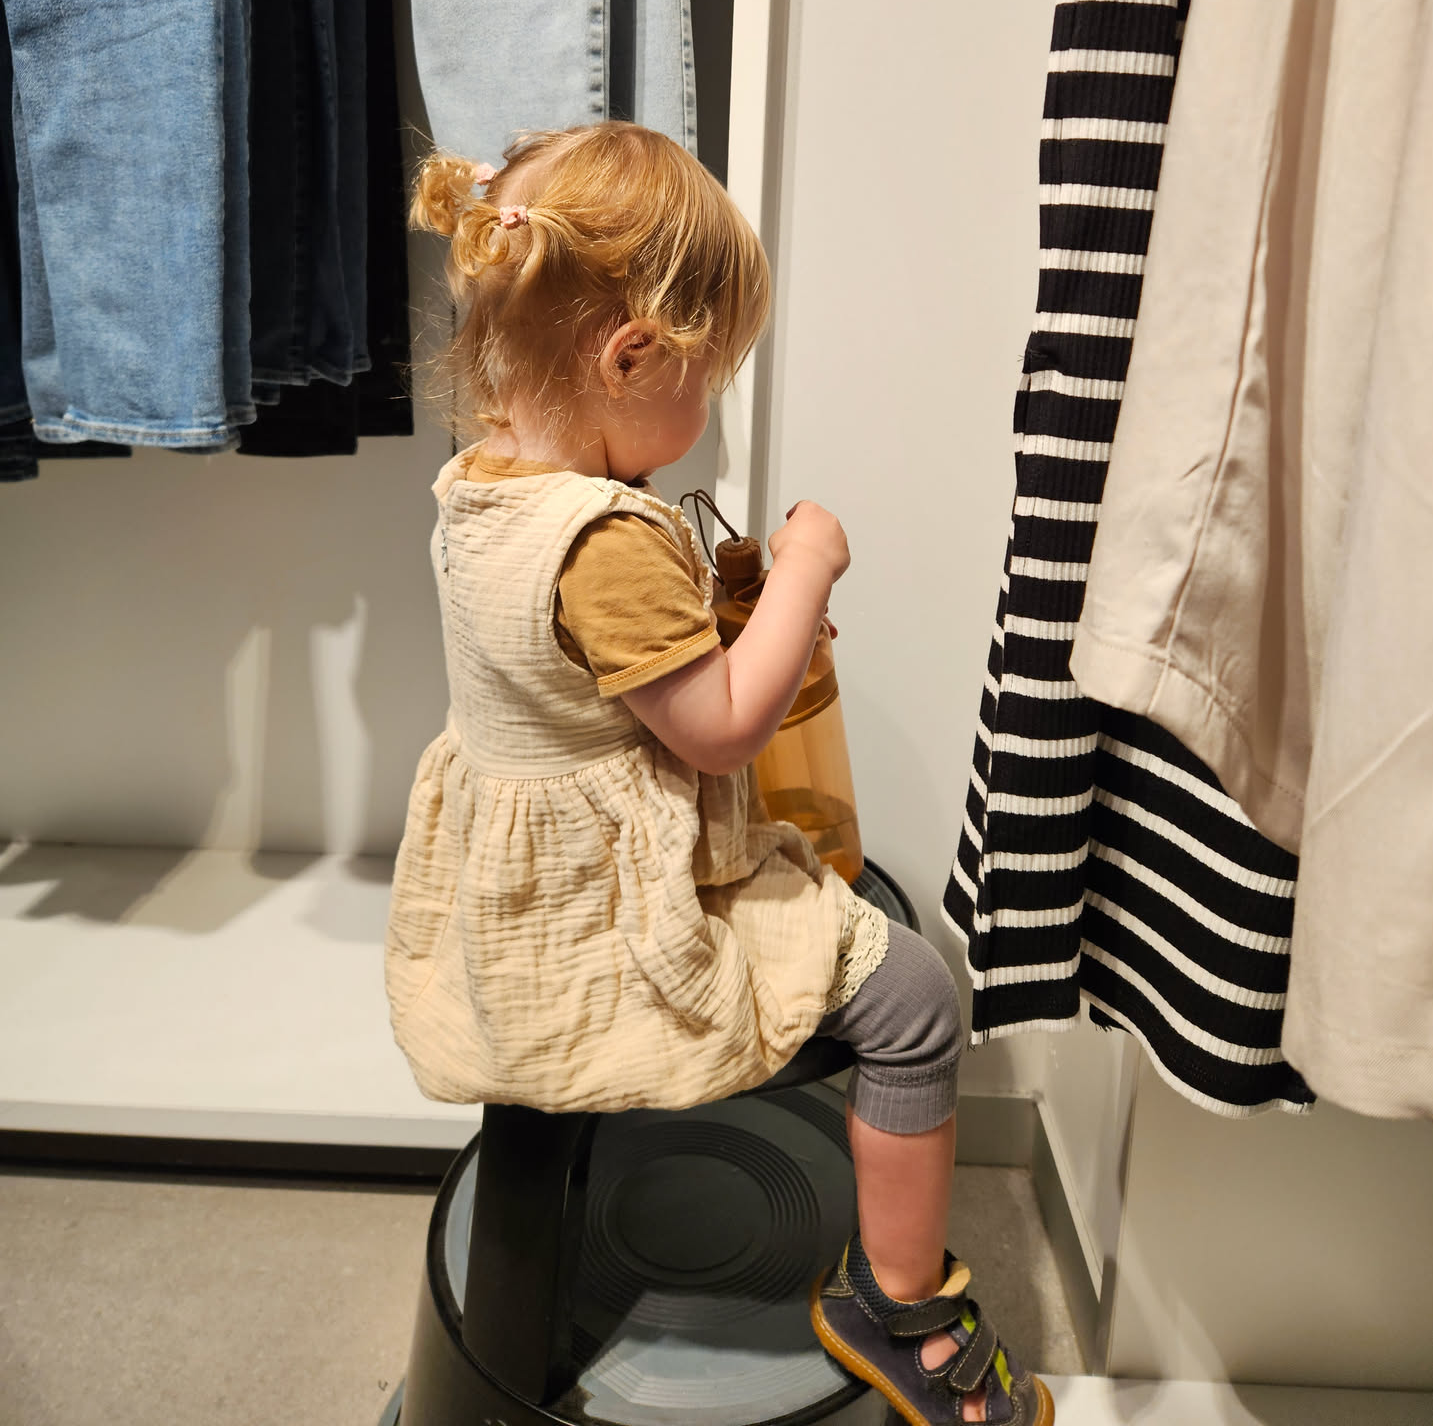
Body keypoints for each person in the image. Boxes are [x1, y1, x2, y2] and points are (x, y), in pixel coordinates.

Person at [386, 122, 1053, 1426]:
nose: (711, 413)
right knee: (919, 1001)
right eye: (711, 379)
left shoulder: (483, 484)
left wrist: (732, 613)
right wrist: (807, 565)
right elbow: (725, 728)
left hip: (521, 903)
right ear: (630, 356)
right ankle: (899, 1305)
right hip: (622, 917)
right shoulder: (605, 543)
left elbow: (603, 685)